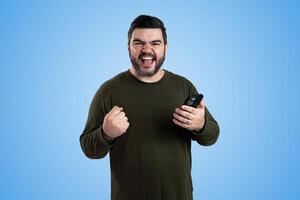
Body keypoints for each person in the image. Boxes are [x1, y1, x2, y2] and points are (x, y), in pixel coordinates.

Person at [80, 14, 220, 200]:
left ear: (165, 48)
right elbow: (89, 149)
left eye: (155, 43)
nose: (147, 49)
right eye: (138, 43)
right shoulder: (109, 91)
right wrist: (105, 133)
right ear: (128, 47)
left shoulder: (183, 86)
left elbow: (212, 136)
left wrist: (201, 125)